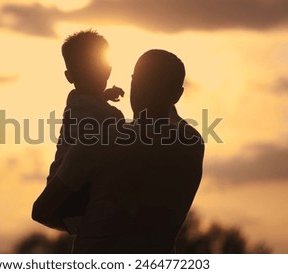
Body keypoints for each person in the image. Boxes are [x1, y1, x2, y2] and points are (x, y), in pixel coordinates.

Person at [33, 49, 204, 253]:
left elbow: (41, 211)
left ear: (135, 84)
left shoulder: (100, 140)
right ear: (177, 94)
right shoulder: (192, 144)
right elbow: (168, 121)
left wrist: (87, 224)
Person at [47, 30, 125, 225]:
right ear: (108, 70)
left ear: (69, 76)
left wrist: (105, 96)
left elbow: (89, 97)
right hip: (74, 192)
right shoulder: (108, 115)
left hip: (60, 184)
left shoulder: (74, 101)